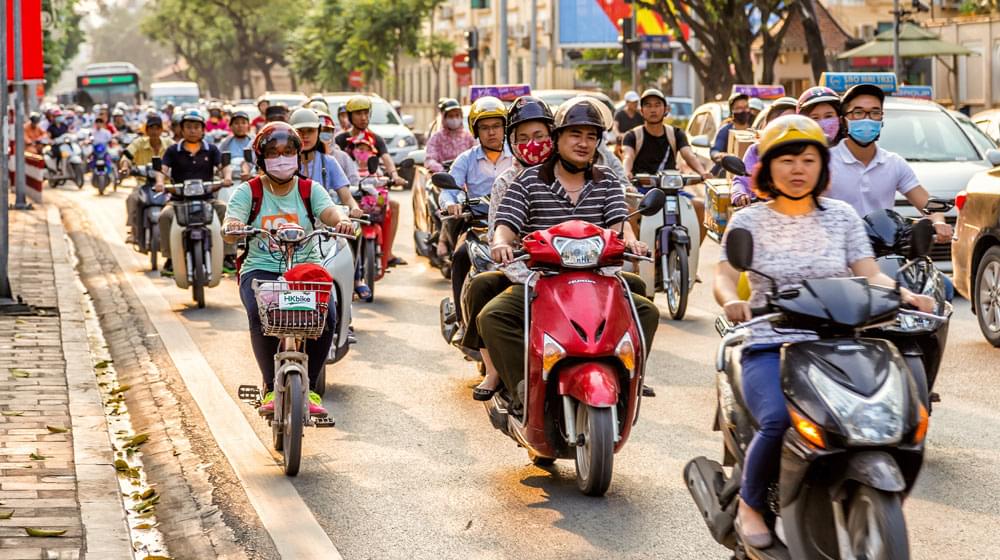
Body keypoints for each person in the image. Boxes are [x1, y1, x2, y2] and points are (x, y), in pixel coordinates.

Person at [712, 114, 934, 549]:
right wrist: (731, 300)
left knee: (900, 416)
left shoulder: (842, 216)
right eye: (788, 160)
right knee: (776, 420)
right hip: (771, 341)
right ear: (768, 167)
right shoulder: (750, 221)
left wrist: (906, 294)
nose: (798, 169)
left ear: (822, 166)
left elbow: (869, 274)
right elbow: (724, 274)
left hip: (842, 339)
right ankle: (751, 505)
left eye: (809, 160)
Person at [469, 98, 660, 403]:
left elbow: (619, 225)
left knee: (647, 310)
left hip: (596, 279)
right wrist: (502, 242)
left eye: (591, 136)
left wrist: (632, 242)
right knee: (493, 316)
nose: (583, 143)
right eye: (575, 134)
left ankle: (627, 378)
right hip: (540, 281)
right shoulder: (527, 180)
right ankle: (523, 388)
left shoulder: (607, 181)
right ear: (557, 138)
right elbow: (506, 223)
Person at [222, 122, 356, 417]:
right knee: (260, 314)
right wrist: (232, 227)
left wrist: (340, 221)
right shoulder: (249, 191)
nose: (282, 158)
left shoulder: (310, 189)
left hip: (306, 269)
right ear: (261, 159)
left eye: (288, 152)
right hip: (261, 269)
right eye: (273, 152)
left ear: (298, 155)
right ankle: (270, 386)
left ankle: (313, 391)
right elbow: (232, 222)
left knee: (327, 315)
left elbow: (329, 211)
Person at [826, 83, 955, 299]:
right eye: (858, 112)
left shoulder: (893, 163)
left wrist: (939, 221)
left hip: (887, 255)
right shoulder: (827, 162)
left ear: (882, 120)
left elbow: (925, 201)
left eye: (874, 113)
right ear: (844, 120)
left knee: (943, 288)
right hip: (841, 256)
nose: (867, 118)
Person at [621, 88, 712, 239]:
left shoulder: (676, 134)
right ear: (641, 111)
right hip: (641, 191)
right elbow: (627, 156)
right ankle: (637, 256)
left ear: (666, 109)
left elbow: (688, 154)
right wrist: (627, 172)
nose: (653, 109)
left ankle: (688, 257)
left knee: (701, 207)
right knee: (628, 211)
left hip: (672, 191)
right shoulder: (632, 135)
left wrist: (702, 172)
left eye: (657, 105)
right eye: (648, 105)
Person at [155, 110, 234, 274]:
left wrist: (227, 177)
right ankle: (170, 259)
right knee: (164, 216)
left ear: (203, 129)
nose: (193, 130)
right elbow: (162, 169)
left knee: (225, 210)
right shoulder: (172, 150)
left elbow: (224, 166)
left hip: (207, 200)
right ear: (181, 130)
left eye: (197, 127)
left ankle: (228, 256)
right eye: (189, 127)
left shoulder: (211, 149)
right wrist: (160, 182)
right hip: (178, 200)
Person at [335, 95, 407, 266]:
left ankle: (387, 253)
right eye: (358, 113)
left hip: (373, 189)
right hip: (349, 190)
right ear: (350, 116)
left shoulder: (376, 139)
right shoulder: (340, 139)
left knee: (393, 206)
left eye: (366, 113)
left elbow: (387, 159)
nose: (363, 117)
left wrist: (394, 176)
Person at [731, 96, 798, 207]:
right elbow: (742, 181)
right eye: (779, 123)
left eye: (792, 123)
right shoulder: (756, 151)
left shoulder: (807, 152)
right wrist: (740, 194)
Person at [121, 114, 170, 243]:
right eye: (151, 128)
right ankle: (134, 231)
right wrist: (125, 166)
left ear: (161, 130)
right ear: (146, 130)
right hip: (144, 184)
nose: (154, 131)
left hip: (166, 185)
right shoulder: (138, 143)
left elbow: (179, 155)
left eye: (157, 128)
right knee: (132, 199)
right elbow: (126, 156)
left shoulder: (170, 144)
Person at [425, 98, 475, 173]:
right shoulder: (436, 138)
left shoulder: (468, 138)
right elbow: (429, 160)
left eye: (457, 115)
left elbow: (477, 158)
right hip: (444, 180)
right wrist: (441, 170)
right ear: (444, 118)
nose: (454, 119)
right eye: (451, 116)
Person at [710, 92, 753, 174]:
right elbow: (715, 151)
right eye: (739, 108)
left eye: (746, 107)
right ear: (732, 111)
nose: (744, 111)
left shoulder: (754, 129)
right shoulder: (725, 130)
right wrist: (722, 156)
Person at [219, 110, 254, 182]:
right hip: (230, 178)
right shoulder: (225, 142)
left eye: (243, 123)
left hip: (250, 178)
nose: (240, 126)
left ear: (248, 126)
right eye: (236, 123)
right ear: (230, 126)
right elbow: (219, 161)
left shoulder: (254, 141)